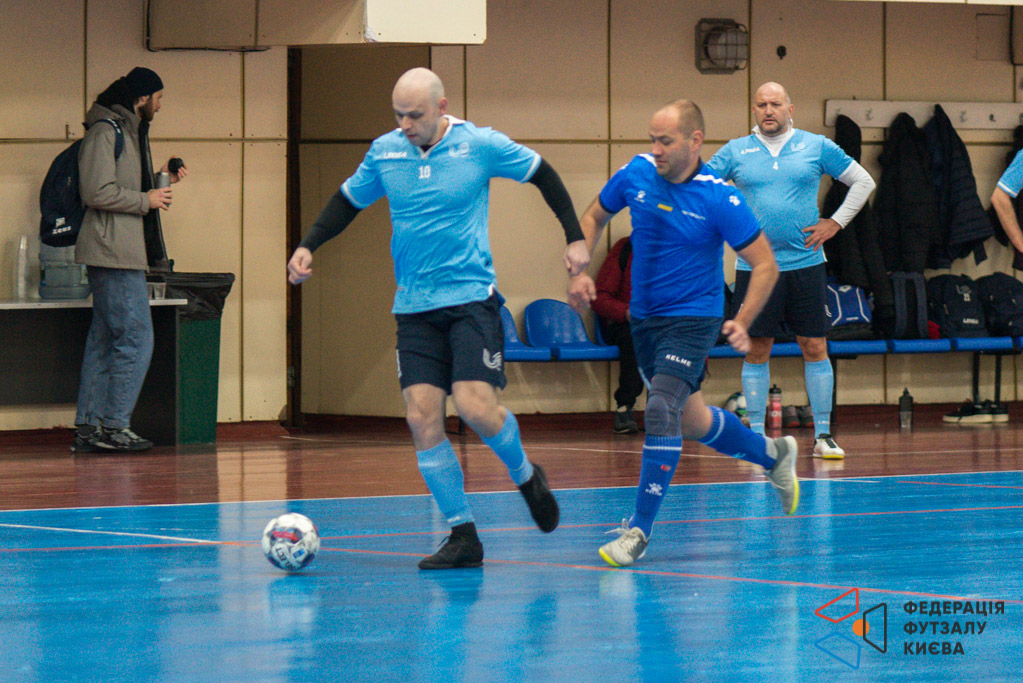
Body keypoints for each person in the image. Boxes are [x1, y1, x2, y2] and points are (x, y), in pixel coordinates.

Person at [287, 67, 589, 570]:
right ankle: (462, 534)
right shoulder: (385, 152)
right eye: (398, 115)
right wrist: (307, 245)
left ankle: (525, 474)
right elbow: (347, 201)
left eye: (415, 115)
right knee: (421, 417)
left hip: (471, 299)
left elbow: (543, 174)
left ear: (442, 107)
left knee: (474, 407)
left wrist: (574, 237)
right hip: (414, 306)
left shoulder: (480, 145)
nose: (405, 125)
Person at [568, 99, 796, 568]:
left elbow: (766, 265)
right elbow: (592, 217)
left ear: (695, 141)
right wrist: (579, 267)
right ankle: (773, 455)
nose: (656, 149)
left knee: (659, 409)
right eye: (652, 139)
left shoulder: (719, 198)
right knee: (691, 421)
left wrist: (742, 321)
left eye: (665, 141)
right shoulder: (636, 173)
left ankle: (638, 531)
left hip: (693, 320)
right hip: (644, 322)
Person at [707, 82, 875, 460]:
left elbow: (863, 181)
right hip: (755, 268)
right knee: (757, 348)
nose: (768, 110)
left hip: (806, 263)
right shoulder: (735, 150)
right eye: (761, 104)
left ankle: (823, 435)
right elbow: (700, 189)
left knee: (814, 346)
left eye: (775, 104)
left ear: (790, 109)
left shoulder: (816, 145)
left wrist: (835, 222)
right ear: (754, 109)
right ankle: (756, 438)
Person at [71, 67, 188, 454]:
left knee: (106, 340)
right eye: (159, 98)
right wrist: (145, 200)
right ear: (142, 98)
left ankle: (91, 427)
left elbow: (121, 183)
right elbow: (96, 191)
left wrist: (162, 177)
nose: (160, 106)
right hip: (113, 251)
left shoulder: (125, 131)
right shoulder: (106, 132)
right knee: (136, 338)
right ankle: (114, 425)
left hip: (119, 249)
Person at [592, 236, 643, 434]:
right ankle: (624, 407)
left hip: (665, 322)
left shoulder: (680, 249)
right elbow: (599, 297)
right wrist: (626, 313)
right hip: (626, 323)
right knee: (636, 339)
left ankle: (678, 409)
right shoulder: (626, 248)